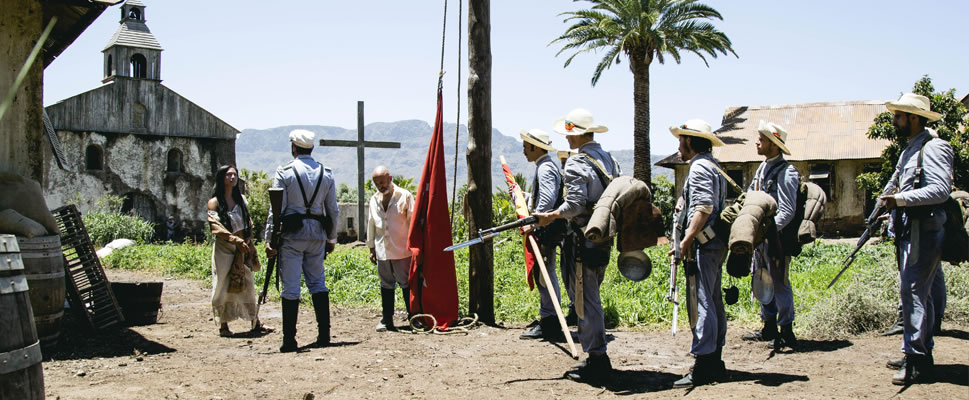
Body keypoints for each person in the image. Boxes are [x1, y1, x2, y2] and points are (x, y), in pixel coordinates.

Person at [534, 108, 619, 383]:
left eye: (570, 134)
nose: (567, 140)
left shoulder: (576, 163)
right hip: (604, 237)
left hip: (582, 239)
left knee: (584, 299)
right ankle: (597, 355)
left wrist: (552, 215)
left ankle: (597, 359)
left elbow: (575, 205)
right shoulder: (610, 160)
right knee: (590, 296)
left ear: (579, 135)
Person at [878, 93, 952, 385]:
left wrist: (900, 200)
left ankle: (917, 360)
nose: (894, 121)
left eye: (899, 116)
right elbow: (894, 183)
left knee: (912, 292)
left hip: (925, 229)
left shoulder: (935, 147)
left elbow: (940, 190)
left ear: (914, 118)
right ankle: (919, 352)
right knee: (922, 294)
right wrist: (879, 211)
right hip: (911, 230)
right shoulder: (911, 149)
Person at [265, 129, 339, 352]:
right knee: (318, 283)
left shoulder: (285, 172)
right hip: (317, 234)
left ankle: (290, 340)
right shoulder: (326, 173)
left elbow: (276, 210)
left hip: (292, 235)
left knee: (291, 287)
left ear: (294, 148)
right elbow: (333, 210)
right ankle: (324, 335)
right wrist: (332, 237)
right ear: (312, 148)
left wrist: (270, 238)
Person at [667, 119, 729, 388]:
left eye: (681, 140)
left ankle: (704, 363)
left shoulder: (701, 168)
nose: (679, 145)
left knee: (702, 301)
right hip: (713, 243)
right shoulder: (712, 166)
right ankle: (714, 360)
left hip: (704, 244)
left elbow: (703, 207)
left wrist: (686, 240)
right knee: (713, 301)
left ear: (689, 141)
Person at [741, 121, 801, 350]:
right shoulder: (762, 169)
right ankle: (768, 325)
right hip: (761, 238)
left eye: (762, 139)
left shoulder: (787, 173)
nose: (757, 142)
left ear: (774, 145)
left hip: (777, 239)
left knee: (779, 282)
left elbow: (787, 210)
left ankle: (786, 330)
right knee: (761, 279)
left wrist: (766, 230)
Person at [206, 165, 269, 338]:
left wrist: (248, 241)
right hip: (225, 249)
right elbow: (215, 226)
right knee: (222, 284)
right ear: (221, 178)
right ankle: (223, 325)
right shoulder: (215, 202)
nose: (232, 178)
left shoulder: (241, 200)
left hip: (243, 248)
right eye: (228, 175)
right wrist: (234, 239)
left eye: (234, 175)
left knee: (248, 281)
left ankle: (255, 321)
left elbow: (247, 221)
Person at [518, 129, 567, 341]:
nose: (523, 151)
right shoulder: (545, 167)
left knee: (545, 275)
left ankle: (551, 320)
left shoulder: (546, 169)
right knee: (544, 274)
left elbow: (546, 202)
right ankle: (548, 316)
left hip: (545, 230)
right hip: (544, 228)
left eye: (525, 146)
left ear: (535, 147)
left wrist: (534, 224)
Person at [366, 166, 415, 332]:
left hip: (402, 250)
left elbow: (413, 222)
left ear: (390, 178)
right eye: (377, 183)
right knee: (386, 284)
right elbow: (371, 224)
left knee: (406, 284)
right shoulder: (374, 200)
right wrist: (371, 248)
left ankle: (414, 317)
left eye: (383, 181)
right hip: (382, 251)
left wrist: (415, 247)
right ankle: (387, 319)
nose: (381, 186)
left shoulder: (405, 196)